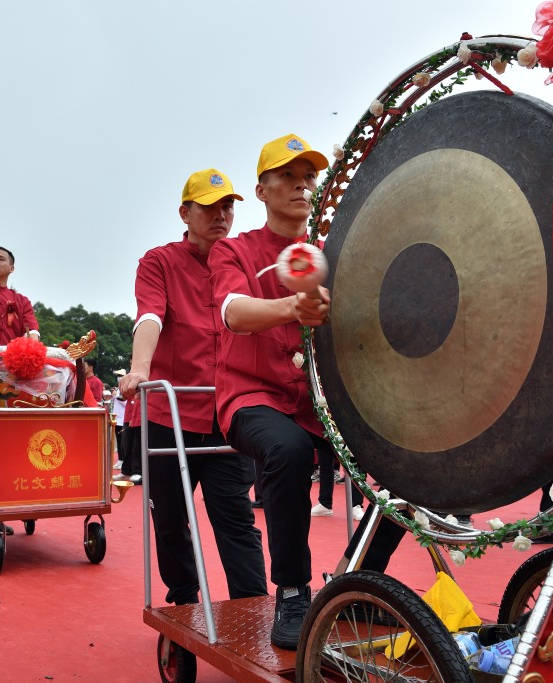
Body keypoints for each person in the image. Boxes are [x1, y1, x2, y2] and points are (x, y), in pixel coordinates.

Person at [209, 135, 403, 649]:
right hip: (251, 399)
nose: (301, 184)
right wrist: (292, 309)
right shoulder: (235, 249)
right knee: (288, 450)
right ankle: (293, 591)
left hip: (321, 403)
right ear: (261, 189)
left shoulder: (332, 250)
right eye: (288, 175)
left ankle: (353, 580)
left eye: (309, 177)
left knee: (412, 463)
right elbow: (232, 311)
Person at [120, 168, 267, 611]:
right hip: (170, 413)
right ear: (185, 213)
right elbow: (150, 316)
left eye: (227, 207)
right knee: (169, 517)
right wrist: (138, 369)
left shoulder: (242, 260)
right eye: (209, 207)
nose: (220, 216)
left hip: (227, 412)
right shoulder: (159, 261)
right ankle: (183, 601)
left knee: (236, 518)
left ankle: (254, 607)